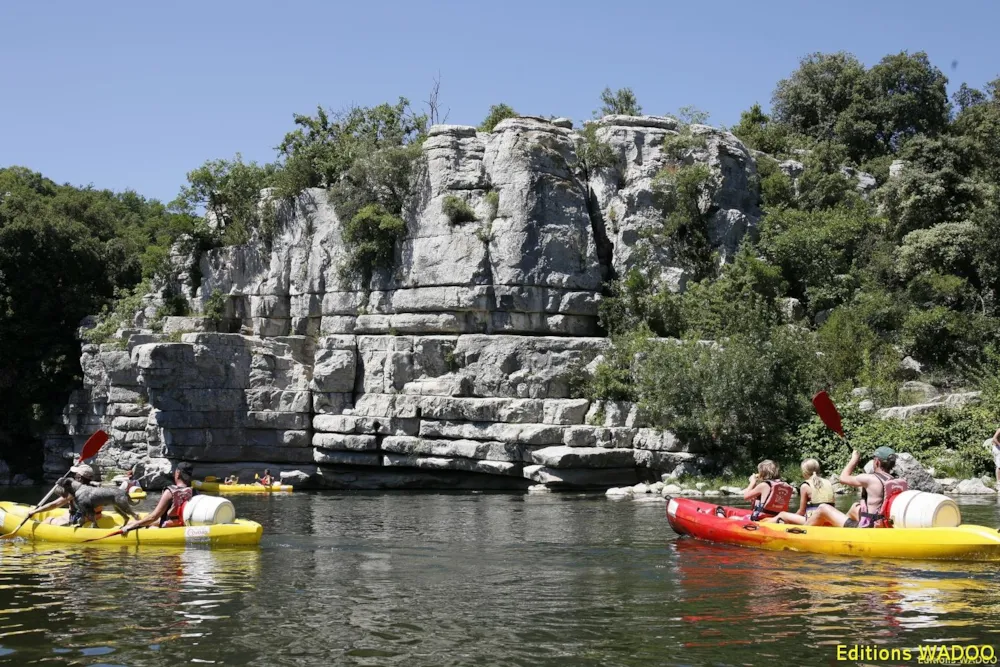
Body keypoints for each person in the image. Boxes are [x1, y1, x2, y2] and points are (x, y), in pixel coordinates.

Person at [806, 447, 907, 528]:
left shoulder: (870, 479)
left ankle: (802, 531)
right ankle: (837, 529)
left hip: (869, 528)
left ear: (877, 462)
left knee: (823, 508)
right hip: (883, 524)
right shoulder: (894, 481)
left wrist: (854, 459)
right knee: (856, 506)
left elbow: (842, 478)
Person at [121, 462, 195, 534]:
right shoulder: (194, 492)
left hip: (169, 528)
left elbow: (154, 517)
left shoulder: (170, 492)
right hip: (183, 524)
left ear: (177, 473)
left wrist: (135, 525)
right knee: (145, 520)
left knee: (139, 525)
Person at [763, 458, 835, 525]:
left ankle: (762, 525)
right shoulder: (828, 482)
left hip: (814, 521)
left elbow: (802, 511)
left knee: (783, 514)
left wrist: (790, 520)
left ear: (804, 472)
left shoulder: (805, 486)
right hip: (829, 519)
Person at [28, 464, 98, 526]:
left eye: (76, 474)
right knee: (66, 515)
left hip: (78, 519)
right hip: (92, 517)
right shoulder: (95, 488)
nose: (74, 476)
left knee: (49, 519)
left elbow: (55, 504)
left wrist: (34, 511)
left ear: (79, 477)